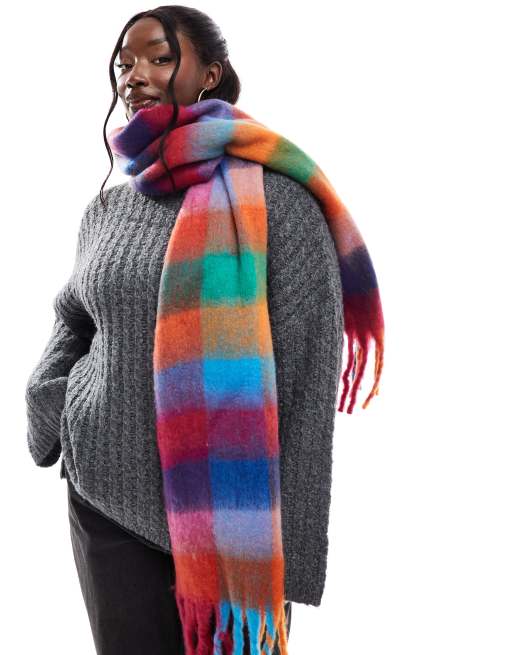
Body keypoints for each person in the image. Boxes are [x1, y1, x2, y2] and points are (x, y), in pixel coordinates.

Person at [25, 5, 384, 655]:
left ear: (210, 74)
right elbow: (74, 314)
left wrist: (286, 551)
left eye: (159, 58)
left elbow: (307, 379)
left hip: (230, 525)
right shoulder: (109, 205)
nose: (135, 75)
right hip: (103, 496)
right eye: (124, 63)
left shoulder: (278, 200)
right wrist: (51, 399)